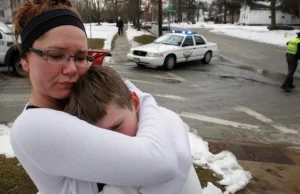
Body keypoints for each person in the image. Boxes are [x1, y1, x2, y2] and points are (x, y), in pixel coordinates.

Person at [10, 0, 181, 194]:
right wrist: (147, 101)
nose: (72, 69)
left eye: (81, 57)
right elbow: (162, 162)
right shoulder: (33, 126)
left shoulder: (77, 103)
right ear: (25, 60)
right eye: (56, 55)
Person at [64, 66, 203, 194]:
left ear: (135, 103)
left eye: (116, 127)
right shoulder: (162, 120)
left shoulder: (161, 151)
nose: (113, 142)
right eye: (100, 136)